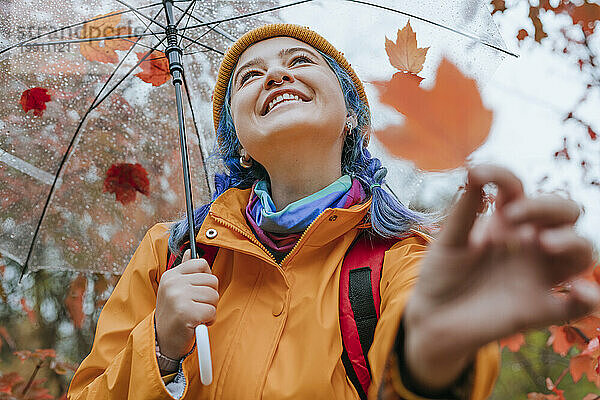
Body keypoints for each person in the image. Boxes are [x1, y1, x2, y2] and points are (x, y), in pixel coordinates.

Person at [67, 24, 598, 400]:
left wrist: (426, 365)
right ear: (240, 143)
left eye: (300, 62)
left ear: (350, 116)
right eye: (250, 76)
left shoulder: (402, 257)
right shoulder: (172, 253)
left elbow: (412, 369)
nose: (276, 74)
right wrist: (158, 347)